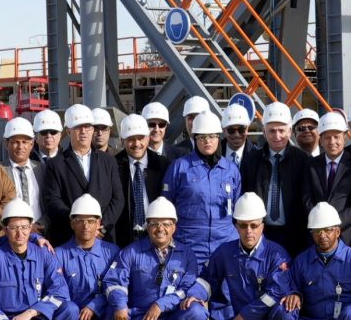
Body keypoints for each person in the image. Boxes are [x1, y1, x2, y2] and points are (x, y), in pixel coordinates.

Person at [112, 198, 209, 320]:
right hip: (143, 317)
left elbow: (187, 287)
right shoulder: (131, 252)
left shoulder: (187, 255)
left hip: (174, 315)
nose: (160, 229)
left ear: (174, 227)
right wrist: (120, 305)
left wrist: (160, 305)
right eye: (154, 224)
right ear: (147, 226)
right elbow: (116, 281)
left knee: (197, 312)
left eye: (166, 224)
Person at [201, 194, 289, 320]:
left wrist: (246, 314)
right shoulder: (225, 252)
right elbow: (207, 279)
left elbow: (277, 292)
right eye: (243, 225)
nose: (248, 231)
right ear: (236, 226)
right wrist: (196, 296)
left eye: (254, 226)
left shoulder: (277, 255)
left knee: (285, 312)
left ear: (262, 226)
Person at [56, 196, 123, 320]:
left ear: (99, 223)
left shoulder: (112, 252)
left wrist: (94, 305)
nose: (85, 226)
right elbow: (60, 297)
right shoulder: (59, 255)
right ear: (72, 223)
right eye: (80, 221)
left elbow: (119, 289)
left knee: (118, 308)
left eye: (91, 221)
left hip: (105, 319)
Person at [163, 113, 239, 271]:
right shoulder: (179, 167)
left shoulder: (231, 170)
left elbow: (237, 210)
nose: (207, 141)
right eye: (202, 137)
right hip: (189, 244)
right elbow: (166, 207)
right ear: (195, 138)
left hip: (225, 244)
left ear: (218, 137)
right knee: (189, 285)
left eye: (212, 136)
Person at [239, 103, 317, 256]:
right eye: (272, 131)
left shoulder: (303, 161)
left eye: (281, 130)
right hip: (261, 235)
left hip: (295, 236)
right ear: (264, 132)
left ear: (290, 131)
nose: (277, 136)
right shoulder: (251, 161)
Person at [43, 113, 119, 242]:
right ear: (68, 131)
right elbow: (53, 200)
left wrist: (100, 226)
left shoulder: (108, 161)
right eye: (78, 127)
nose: (83, 131)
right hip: (69, 237)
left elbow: (117, 198)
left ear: (92, 129)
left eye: (87, 126)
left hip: (103, 236)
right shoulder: (55, 164)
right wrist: (78, 224)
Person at [108, 115, 166, 246]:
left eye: (140, 138)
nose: (137, 144)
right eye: (131, 139)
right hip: (124, 238)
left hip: (156, 236)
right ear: (122, 141)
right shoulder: (113, 165)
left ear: (148, 138)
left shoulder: (163, 165)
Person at [314, 114, 351, 242]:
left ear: (344, 137)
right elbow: (307, 199)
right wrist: (320, 225)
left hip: (348, 236)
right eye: (327, 137)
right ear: (320, 139)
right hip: (318, 235)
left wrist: (332, 227)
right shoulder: (311, 166)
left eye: (336, 137)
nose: (332, 142)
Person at [0, 118, 48, 233]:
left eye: (24, 142)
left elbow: (50, 203)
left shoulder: (43, 169)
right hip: (11, 235)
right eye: (15, 142)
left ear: (32, 144)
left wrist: (40, 225)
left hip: (41, 234)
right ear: (6, 144)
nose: (20, 147)